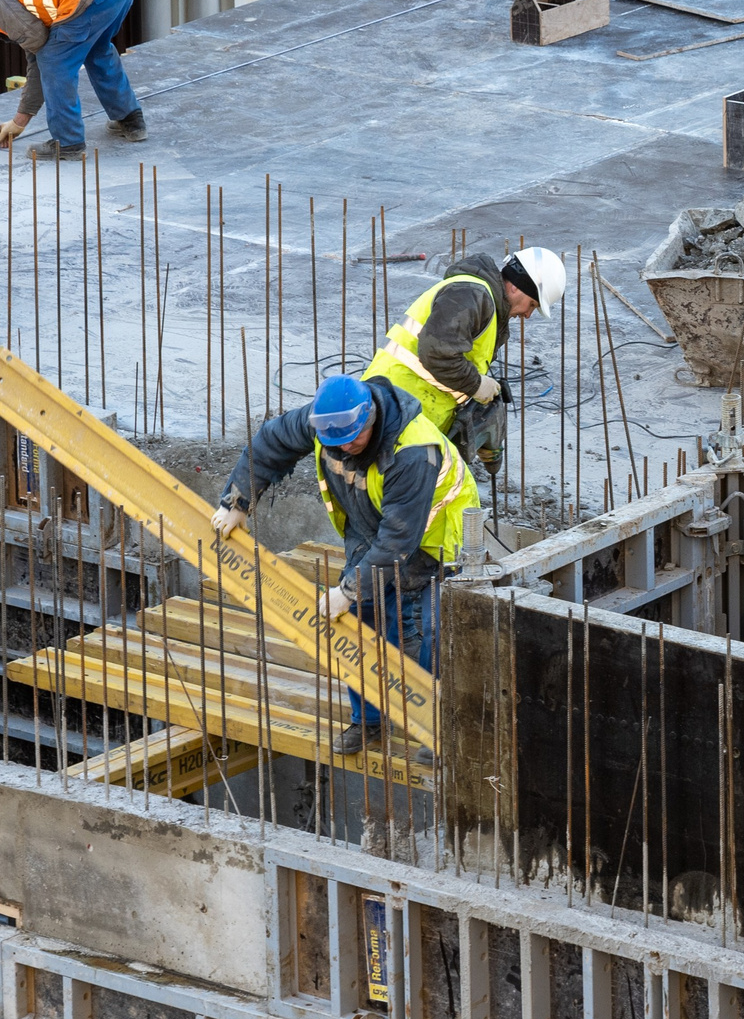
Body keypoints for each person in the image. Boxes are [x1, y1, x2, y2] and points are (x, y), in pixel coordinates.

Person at [211, 373, 479, 755]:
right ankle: (368, 721)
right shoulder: (328, 419)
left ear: (371, 418)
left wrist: (349, 590)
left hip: (440, 541)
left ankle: (437, 728)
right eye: (335, 442)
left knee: (438, 633)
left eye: (354, 439)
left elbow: (398, 542)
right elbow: (270, 442)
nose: (346, 448)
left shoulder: (414, 451)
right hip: (372, 530)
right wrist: (236, 502)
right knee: (360, 622)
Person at [363, 247, 567, 436]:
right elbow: (437, 352)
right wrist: (476, 385)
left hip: (411, 412)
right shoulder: (472, 294)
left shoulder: (486, 305)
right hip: (393, 407)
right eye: (532, 304)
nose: (528, 314)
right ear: (515, 287)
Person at [0, 0, 146, 161]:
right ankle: (131, 121)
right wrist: (20, 120)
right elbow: (37, 48)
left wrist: (19, 121)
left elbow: (41, 52)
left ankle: (68, 143)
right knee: (97, 51)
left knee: (54, 62)